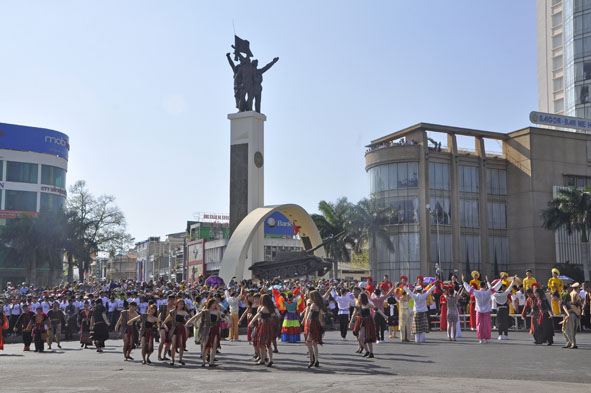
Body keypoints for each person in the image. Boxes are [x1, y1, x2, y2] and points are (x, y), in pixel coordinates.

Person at [462, 275, 502, 344]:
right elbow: (495, 288)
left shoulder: (476, 292)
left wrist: (464, 281)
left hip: (479, 311)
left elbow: (468, 288)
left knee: (479, 325)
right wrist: (500, 281)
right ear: (485, 286)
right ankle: (486, 338)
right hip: (486, 311)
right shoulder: (488, 292)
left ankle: (481, 338)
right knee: (486, 325)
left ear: (479, 286)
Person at [249, 293, 277, 367]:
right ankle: (270, 359)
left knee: (261, 343)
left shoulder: (263, 308)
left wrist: (251, 322)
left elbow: (258, 315)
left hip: (264, 326)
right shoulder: (272, 307)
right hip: (270, 326)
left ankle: (262, 359)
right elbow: (275, 315)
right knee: (268, 344)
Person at [162, 299, 189, 366]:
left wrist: (194, 323)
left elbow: (189, 319)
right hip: (174, 329)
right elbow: (166, 320)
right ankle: (172, 360)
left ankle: (180, 359)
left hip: (181, 329)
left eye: (183, 304)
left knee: (181, 345)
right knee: (173, 345)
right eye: (180, 304)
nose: (182, 305)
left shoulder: (184, 312)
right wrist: (164, 326)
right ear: (177, 304)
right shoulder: (173, 312)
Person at [303, 290, 325, 367]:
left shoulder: (313, 305)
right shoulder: (319, 305)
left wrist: (306, 323)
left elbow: (309, 315)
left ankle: (311, 359)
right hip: (317, 324)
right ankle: (316, 360)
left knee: (308, 341)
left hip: (312, 323)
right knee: (314, 343)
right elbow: (320, 316)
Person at [157, 294, 175, 361]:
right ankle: (159, 355)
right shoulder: (163, 307)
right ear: (168, 300)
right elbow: (159, 316)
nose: (172, 302)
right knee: (163, 340)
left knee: (169, 341)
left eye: (173, 300)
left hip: (171, 324)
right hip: (162, 324)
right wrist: (159, 325)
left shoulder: (174, 308)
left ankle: (164, 355)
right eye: (171, 300)